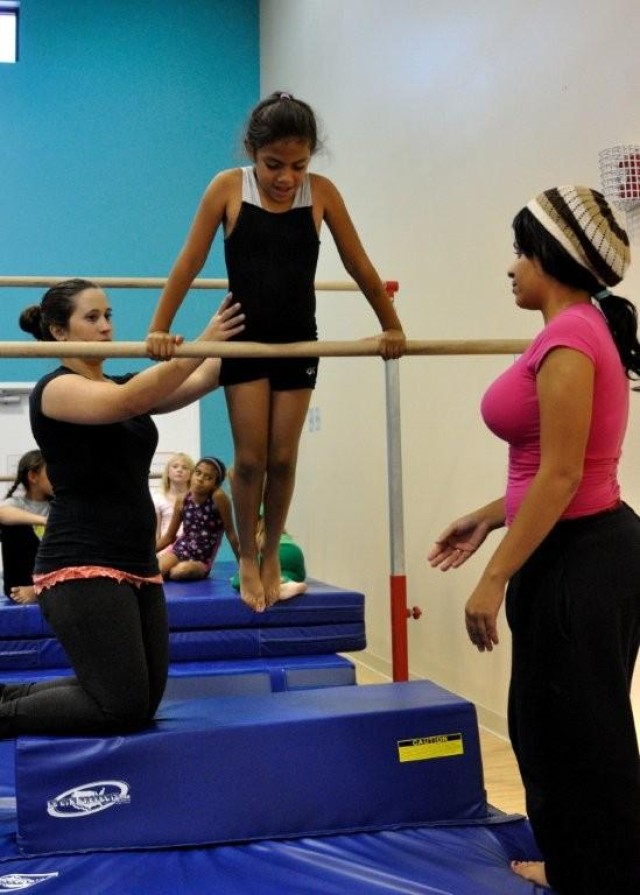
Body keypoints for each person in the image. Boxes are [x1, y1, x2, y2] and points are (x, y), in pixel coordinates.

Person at [428, 186, 640, 895]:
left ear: (552, 256)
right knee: (552, 725)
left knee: (579, 732)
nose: (511, 266)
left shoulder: (572, 337)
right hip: (576, 545)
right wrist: (490, 515)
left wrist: (493, 576)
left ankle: (599, 874)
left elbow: (564, 474)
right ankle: (583, 864)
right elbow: (558, 467)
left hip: (582, 557)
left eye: (521, 251)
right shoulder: (577, 329)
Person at [146, 91, 406, 612]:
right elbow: (189, 261)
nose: (286, 177)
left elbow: (359, 265)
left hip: (298, 340)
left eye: (298, 165)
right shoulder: (227, 188)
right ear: (252, 152)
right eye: (273, 165)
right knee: (250, 459)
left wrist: (392, 327)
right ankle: (247, 556)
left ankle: (270, 555)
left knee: (283, 459)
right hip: (245, 339)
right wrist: (160, 327)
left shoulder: (322, 194)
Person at [0, 278, 244, 738]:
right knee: (122, 706)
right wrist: (201, 340)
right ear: (58, 331)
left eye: (108, 316)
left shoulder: (122, 384)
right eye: (92, 317)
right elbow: (128, 401)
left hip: (137, 563)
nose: (106, 327)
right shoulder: (56, 389)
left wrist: (247, 322)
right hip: (81, 563)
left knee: (143, 700)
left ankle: (8, 697)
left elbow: (203, 377)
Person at [156, 456, 240, 580]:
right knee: (157, 569)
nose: (200, 479)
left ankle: (172, 571)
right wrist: (145, 553)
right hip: (180, 549)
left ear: (215, 484)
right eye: (198, 473)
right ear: (192, 474)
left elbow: (231, 533)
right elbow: (169, 537)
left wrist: (243, 566)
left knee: (178, 572)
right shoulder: (182, 499)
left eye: (208, 477)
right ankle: (165, 570)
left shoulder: (218, 498)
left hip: (202, 559)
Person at [1, 449, 52, 604]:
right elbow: (2, 513)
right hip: (21, 581)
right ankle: (33, 587)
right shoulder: (16, 504)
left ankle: (40, 588)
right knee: (14, 526)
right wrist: (43, 520)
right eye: (50, 472)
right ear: (33, 476)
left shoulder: (58, 504)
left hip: (51, 579)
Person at [231, 517, 307, 601]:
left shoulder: (254, 531)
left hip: (274, 553)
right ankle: (288, 582)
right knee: (295, 574)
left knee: (243, 580)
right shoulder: (278, 526)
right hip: (295, 553)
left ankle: (277, 584)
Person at [153, 452, 195, 541]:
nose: (179, 470)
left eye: (185, 467)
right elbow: (156, 532)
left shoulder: (196, 498)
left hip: (191, 545)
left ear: (191, 474)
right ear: (168, 472)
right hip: (166, 546)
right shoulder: (158, 498)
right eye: (175, 467)